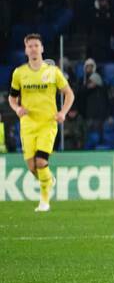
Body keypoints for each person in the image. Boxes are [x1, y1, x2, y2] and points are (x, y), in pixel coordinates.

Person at [7, 34, 74, 212]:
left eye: (36, 45)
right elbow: (12, 98)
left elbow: (69, 93)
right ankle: (48, 180)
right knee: (31, 167)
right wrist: (17, 109)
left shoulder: (53, 72)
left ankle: (44, 202)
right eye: (30, 46)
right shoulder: (19, 73)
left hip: (47, 123)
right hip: (28, 125)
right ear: (25, 50)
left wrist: (63, 112)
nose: (33, 49)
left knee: (41, 162)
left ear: (42, 48)